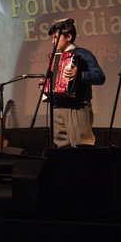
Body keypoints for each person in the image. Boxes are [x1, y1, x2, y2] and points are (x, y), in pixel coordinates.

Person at [41, 18, 105, 147]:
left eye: (56, 38)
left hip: (77, 107)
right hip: (57, 107)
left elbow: (100, 77)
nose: (53, 42)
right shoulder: (55, 56)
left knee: (81, 146)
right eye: (52, 38)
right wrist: (46, 85)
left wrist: (79, 74)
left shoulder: (83, 54)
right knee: (61, 147)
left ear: (69, 36)